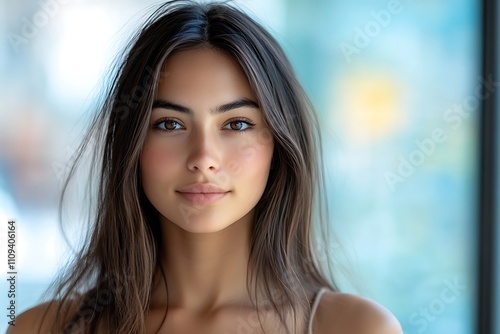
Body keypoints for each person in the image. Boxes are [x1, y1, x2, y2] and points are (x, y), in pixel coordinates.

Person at [9, 1, 403, 333]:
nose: (203, 158)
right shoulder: (40, 329)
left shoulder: (354, 327)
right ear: (131, 145)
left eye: (236, 125)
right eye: (170, 124)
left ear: (279, 146)